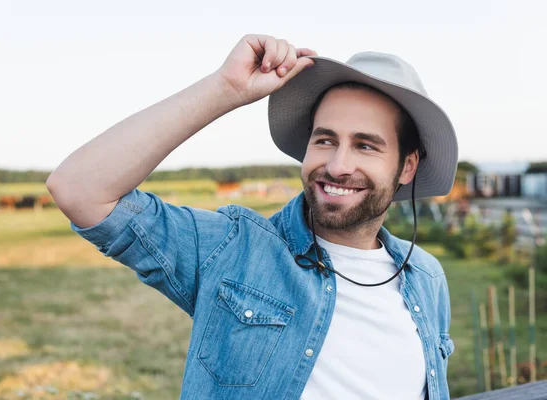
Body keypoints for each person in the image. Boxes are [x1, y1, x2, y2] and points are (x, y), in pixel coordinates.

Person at [47, 34, 458, 400]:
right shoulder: (233, 249)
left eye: (366, 146)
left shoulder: (426, 277)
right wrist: (224, 89)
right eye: (325, 139)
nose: (337, 165)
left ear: (407, 167)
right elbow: (80, 190)